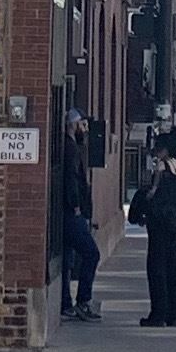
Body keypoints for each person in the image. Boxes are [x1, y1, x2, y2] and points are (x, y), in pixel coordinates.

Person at [134, 131, 176, 326]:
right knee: (174, 269)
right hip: (175, 226)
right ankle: (173, 313)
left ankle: (158, 314)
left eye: (158, 147)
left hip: (160, 225)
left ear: (163, 149)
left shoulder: (161, 166)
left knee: (157, 269)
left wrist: (143, 203)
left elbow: (153, 193)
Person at [58, 113, 100, 320]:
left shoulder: (67, 146)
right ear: (72, 125)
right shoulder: (71, 149)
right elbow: (72, 179)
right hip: (71, 213)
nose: (85, 129)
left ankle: (66, 303)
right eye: (82, 124)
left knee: (66, 259)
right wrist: (76, 205)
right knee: (91, 253)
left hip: (63, 213)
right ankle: (83, 301)